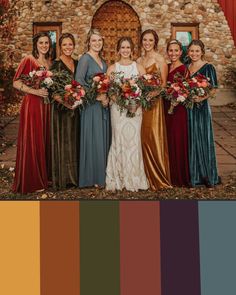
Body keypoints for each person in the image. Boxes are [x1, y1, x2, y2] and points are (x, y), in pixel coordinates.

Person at [105, 37, 149, 192]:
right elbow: (109, 91)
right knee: (119, 140)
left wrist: (136, 104)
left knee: (133, 141)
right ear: (118, 50)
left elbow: (146, 91)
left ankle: (135, 178)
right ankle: (119, 177)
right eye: (122, 47)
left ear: (132, 50)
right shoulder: (112, 68)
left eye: (128, 47)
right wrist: (123, 103)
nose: (125, 50)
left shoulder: (139, 68)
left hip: (135, 110)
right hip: (118, 110)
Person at [12, 32, 52, 194]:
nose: (44, 45)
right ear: (36, 44)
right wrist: (35, 92)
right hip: (33, 105)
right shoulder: (28, 60)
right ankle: (32, 179)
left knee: (43, 139)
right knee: (33, 139)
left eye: (47, 43)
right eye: (41, 42)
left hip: (46, 105)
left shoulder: (49, 62)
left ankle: (43, 176)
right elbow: (16, 82)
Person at [75, 29, 110, 188]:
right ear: (88, 42)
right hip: (90, 105)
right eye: (94, 40)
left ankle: (101, 175)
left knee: (102, 139)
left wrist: (106, 98)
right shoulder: (85, 59)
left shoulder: (103, 61)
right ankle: (91, 177)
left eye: (99, 40)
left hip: (103, 106)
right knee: (93, 139)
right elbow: (79, 82)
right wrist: (95, 96)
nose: (97, 43)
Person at [137, 29, 171, 190]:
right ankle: (143, 175)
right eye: (145, 40)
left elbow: (163, 85)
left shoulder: (160, 60)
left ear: (155, 42)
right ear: (141, 42)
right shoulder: (139, 60)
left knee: (153, 138)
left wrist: (151, 95)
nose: (147, 43)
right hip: (140, 105)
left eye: (150, 40)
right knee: (141, 138)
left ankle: (158, 176)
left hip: (154, 105)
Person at [187, 39, 219, 187]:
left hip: (202, 108)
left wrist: (201, 97)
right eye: (192, 51)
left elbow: (213, 89)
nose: (194, 53)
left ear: (202, 52)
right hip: (189, 109)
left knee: (203, 138)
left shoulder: (208, 68)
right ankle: (195, 175)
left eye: (197, 51)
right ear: (188, 52)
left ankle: (208, 175)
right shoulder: (187, 68)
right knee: (192, 139)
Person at [50, 33, 79, 190]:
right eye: (65, 45)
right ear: (60, 47)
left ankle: (74, 177)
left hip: (76, 108)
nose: (68, 47)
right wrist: (66, 102)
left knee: (74, 140)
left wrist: (76, 100)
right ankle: (63, 178)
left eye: (70, 44)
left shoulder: (77, 62)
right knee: (63, 141)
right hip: (61, 109)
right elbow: (52, 91)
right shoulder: (55, 65)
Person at [164, 39, 190, 186]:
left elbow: (186, 90)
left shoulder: (183, 69)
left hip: (178, 109)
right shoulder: (166, 66)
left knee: (177, 139)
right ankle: (169, 174)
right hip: (166, 107)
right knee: (168, 140)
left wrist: (177, 98)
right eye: (170, 50)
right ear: (167, 52)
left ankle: (179, 177)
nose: (173, 53)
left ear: (180, 52)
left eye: (176, 50)